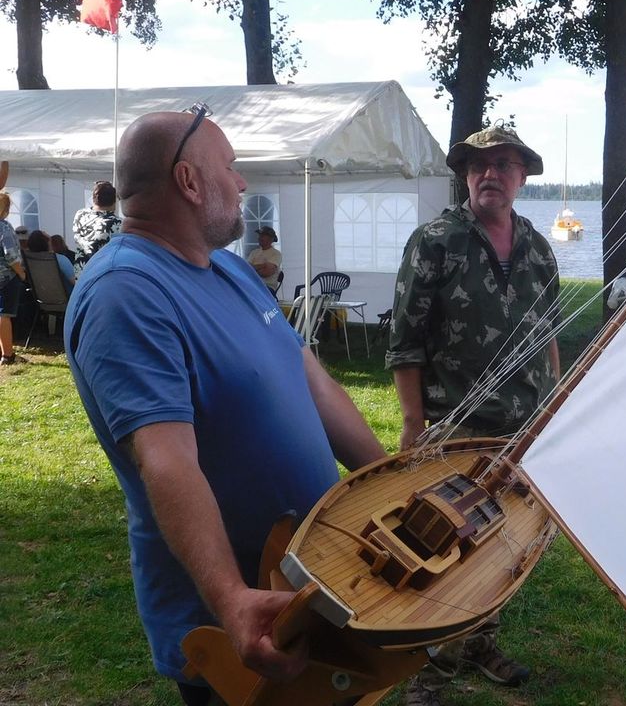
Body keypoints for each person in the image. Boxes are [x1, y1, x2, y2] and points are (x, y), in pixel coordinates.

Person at [64, 108, 387, 706]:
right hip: (247, 624)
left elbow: (314, 385)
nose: (242, 183)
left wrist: (390, 483)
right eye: (231, 167)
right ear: (188, 181)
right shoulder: (125, 292)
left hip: (315, 581)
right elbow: (167, 461)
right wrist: (232, 598)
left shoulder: (232, 270)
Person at [386, 125, 561, 706]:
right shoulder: (435, 241)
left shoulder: (539, 249)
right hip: (456, 428)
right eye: (480, 165)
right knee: (452, 553)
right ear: (465, 175)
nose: (492, 174)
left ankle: (483, 643)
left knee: (508, 547)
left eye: (505, 164)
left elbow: (549, 332)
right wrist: (414, 425)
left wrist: (554, 403)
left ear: (522, 176)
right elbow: (405, 342)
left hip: (524, 430)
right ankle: (428, 677)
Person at [0, 193, 28, 366]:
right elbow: (10, 255)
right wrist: (21, 273)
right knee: (4, 315)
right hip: (6, 277)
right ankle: (8, 355)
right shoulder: (4, 228)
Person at [72, 179, 122, 272]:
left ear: (93, 199)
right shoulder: (118, 223)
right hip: (101, 274)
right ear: (114, 200)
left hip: (81, 273)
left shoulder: (80, 215)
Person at [27, 229, 76, 294]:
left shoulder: (31, 261)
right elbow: (76, 283)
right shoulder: (59, 259)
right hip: (67, 298)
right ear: (48, 243)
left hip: (44, 298)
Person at [247, 225, 282, 292]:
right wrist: (263, 265)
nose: (259, 238)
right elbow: (247, 269)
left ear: (271, 239)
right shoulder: (254, 252)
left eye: (263, 236)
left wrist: (253, 268)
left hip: (267, 288)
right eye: (259, 235)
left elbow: (266, 273)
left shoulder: (276, 254)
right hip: (252, 285)